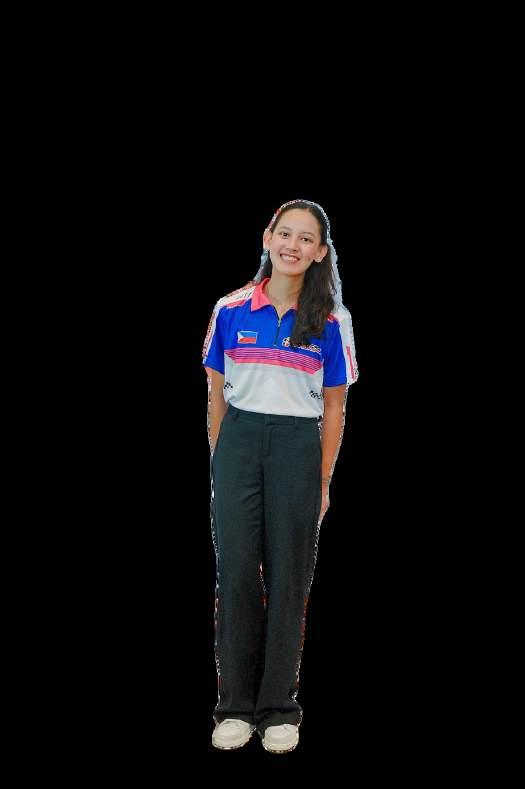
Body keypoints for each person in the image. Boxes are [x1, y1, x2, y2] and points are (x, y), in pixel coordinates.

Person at [202, 199, 359, 753]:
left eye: (306, 238)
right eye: (285, 233)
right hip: (239, 442)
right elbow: (217, 395)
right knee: (237, 574)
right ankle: (233, 707)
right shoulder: (230, 309)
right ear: (268, 237)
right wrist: (222, 461)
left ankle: (277, 709)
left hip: (297, 446)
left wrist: (322, 480)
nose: (293, 245)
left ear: (319, 252)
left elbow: (335, 407)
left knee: (291, 576)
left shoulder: (332, 321)